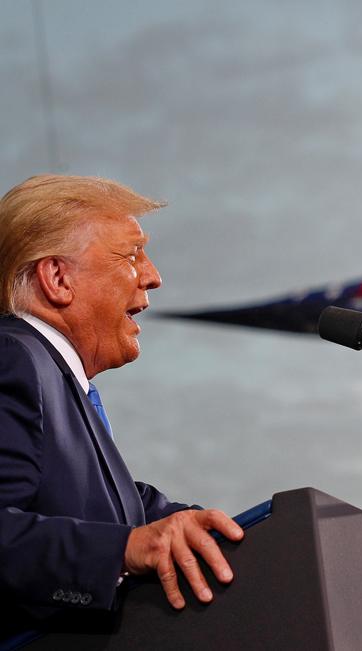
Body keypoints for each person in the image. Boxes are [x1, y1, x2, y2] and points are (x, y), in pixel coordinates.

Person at [0, 175, 244, 633]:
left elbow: (134, 509)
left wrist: (245, 539)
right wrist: (125, 550)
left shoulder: (59, 386)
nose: (153, 276)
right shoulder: (14, 358)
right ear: (57, 278)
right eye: (131, 254)